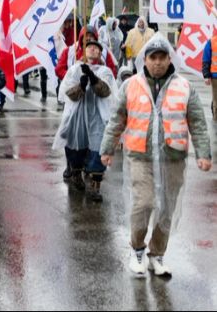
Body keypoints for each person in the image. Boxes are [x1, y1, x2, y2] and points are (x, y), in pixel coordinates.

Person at [99, 36, 212, 277]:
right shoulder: (131, 85)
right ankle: (137, 250)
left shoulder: (184, 86)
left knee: (167, 208)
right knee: (144, 203)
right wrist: (107, 149)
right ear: (145, 60)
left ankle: (157, 255)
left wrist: (203, 154)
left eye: (162, 57)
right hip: (140, 156)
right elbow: (117, 119)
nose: (158, 63)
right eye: (153, 58)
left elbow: (198, 123)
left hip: (173, 157)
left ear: (169, 59)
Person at [54, 39, 115, 202]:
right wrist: (80, 86)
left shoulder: (105, 71)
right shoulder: (74, 69)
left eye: (96, 48)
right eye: (90, 47)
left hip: (97, 115)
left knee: (98, 148)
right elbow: (68, 93)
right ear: (84, 50)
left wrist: (93, 78)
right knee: (76, 146)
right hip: (78, 115)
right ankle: (76, 173)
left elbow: (105, 91)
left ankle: (95, 186)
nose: (93, 50)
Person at [199, 30, 217, 121]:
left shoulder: (212, 41)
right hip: (215, 77)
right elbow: (206, 59)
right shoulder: (212, 42)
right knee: (216, 101)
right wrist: (206, 75)